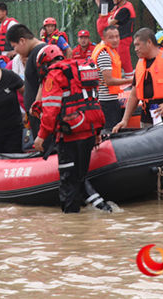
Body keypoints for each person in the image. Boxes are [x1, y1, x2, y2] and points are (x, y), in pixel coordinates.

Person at [32, 45, 111, 213]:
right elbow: (92, 102)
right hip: (89, 131)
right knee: (80, 178)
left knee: (69, 181)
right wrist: (97, 132)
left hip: (69, 136)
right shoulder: (81, 69)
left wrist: (41, 136)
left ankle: (71, 225)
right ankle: (102, 210)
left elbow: (50, 109)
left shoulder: (55, 74)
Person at [113, 28, 163, 131]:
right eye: (134, 45)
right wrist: (125, 120)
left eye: (138, 45)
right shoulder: (140, 63)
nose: (135, 49)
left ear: (149, 42)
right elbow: (134, 94)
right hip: (146, 120)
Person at [7, 24, 46, 136]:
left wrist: (36, 106)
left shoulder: (40, 53)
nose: (15, 51)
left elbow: (46, 82)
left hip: (43, 118)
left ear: (22, 41)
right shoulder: (33, 53)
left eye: (14, 46)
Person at [90, 26, 130, 131]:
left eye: (117, 36)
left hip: (105, 99)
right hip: (107, 101)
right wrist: (131, 80)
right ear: (104, 38)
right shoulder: (104, 55)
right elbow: (109, 81)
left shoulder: (105, 50)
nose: (115, 40)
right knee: (111, 132)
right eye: (111, 37)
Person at [106, 0, 135, 77]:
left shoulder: (124, 9)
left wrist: (110, 19)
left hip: (124, 38)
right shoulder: (123, 5)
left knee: (125, 61)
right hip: (121, 38)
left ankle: (130, 80)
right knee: (120, 60)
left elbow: (110, 23)